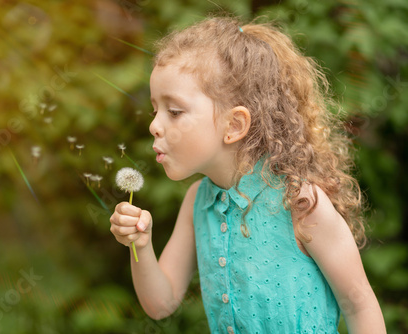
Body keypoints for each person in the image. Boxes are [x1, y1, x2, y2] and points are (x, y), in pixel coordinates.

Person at [110, 16, 386, 333]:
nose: (154, 125)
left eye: (174, 111)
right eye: (154, 110)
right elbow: (161, 304)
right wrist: (140, 245)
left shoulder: (300, 204)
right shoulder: (196, 202)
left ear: (234, 125)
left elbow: (360, 306)